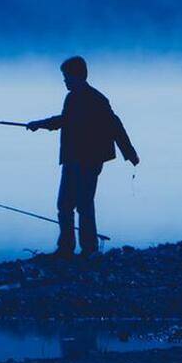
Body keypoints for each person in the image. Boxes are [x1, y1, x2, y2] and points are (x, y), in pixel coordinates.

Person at [26, 56, 139, 257]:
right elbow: (64, 121)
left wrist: (129, 153)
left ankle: (89, 249)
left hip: (89, 160)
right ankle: (66, 249)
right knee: (64, 205)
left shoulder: (96, 99)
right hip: (71, 159)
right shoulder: (71, 98)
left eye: (66, 77)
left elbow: (115, 125)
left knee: (84, 205)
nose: (64, 81)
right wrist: (39, 124)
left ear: (77, 76)